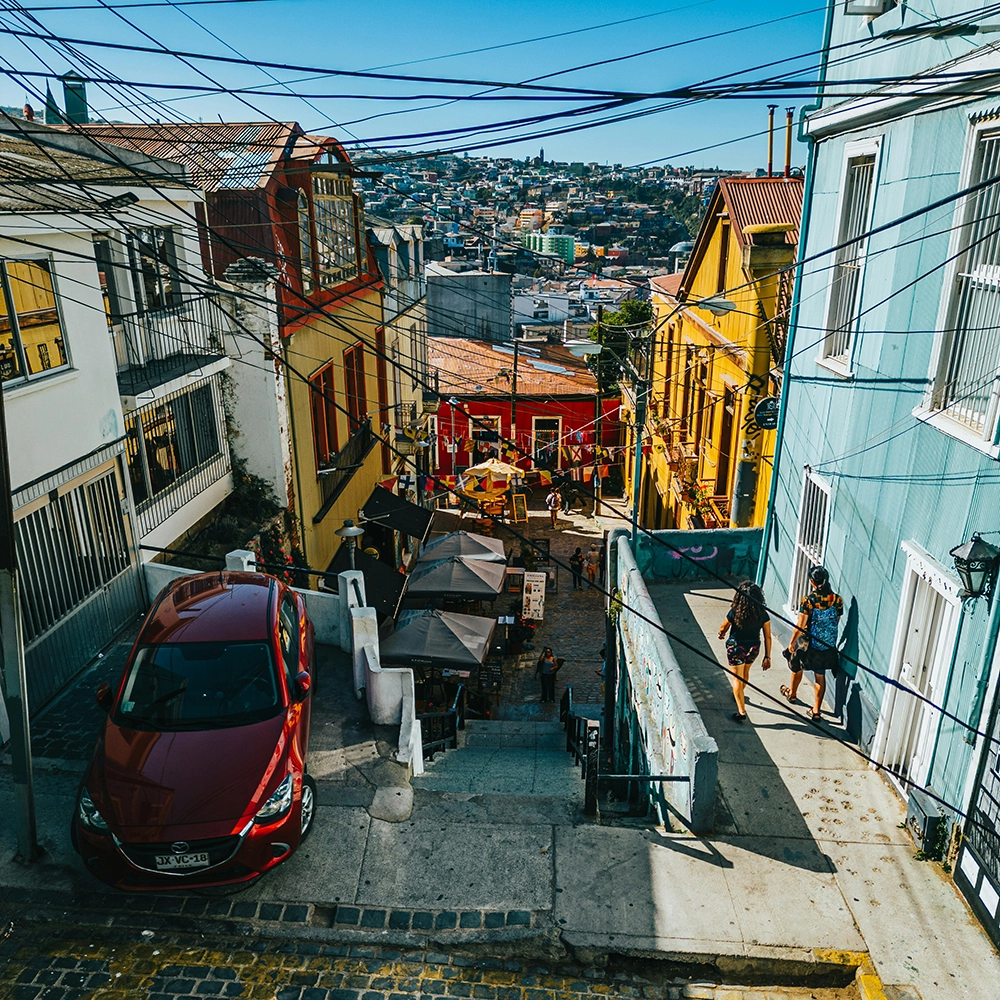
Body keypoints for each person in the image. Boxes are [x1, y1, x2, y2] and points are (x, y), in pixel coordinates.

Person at [782, 565, 843, 721]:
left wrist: (792, 641)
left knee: (796, 666)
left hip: (808, 643)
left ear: (812, 582)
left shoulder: (809, 600)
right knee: (820, 676)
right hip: (826, 645)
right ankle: (816, 711)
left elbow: (800, 625)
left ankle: (792, 694)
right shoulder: (837, 599)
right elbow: (836, 621)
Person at [718, 581, 771, 723]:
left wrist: (721, 633)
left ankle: (741, 711)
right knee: (745, 673)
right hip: (753, 648)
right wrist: (767, 656)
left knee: (736, 679)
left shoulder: (735, 611)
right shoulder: (763, 614)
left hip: (736, 648)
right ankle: (740, 692)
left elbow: (724, 626)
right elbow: (767, 636)